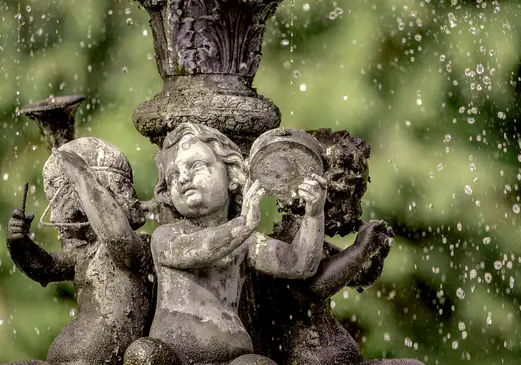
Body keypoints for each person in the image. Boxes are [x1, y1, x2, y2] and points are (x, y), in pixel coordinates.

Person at [124, 123, 327, 365]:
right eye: (173, 176)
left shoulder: (245, 242)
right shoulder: (167, 236)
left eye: (195, 166)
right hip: (171, 355)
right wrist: (243, 224)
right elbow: (198, 250)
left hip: (232, 357)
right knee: (142, 354)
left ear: (231, 175)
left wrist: (314, 215)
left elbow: (300, 264)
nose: (183, 178)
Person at [241, 129, 395, 365]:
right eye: (347, 197)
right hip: (307, 358)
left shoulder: (317, 244)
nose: (353, 210)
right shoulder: (287, 242)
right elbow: (315, 285)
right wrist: (360, 249)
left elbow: (358, 278)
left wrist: (375, 253)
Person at [6, 137, 154, 365]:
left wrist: (82, 177)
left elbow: (116, 236)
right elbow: (44, 267)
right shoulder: (83, 255)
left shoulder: (138, 247)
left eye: (62, 193)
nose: (56, 215)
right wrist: (18, 244)